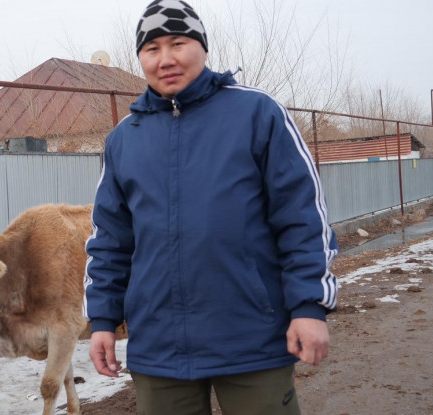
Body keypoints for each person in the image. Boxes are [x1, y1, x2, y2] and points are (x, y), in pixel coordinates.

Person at [83, 1, 338, 413]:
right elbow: (110, 239)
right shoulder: (124, 138)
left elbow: (302, 217)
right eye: (152, 49)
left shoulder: (256, 113)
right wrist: (102, 321)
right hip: (159, 345)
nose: (165, 59)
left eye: (178, 43)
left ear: (202, 47)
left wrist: (309, 306)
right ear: (140, 58)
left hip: (251, 336)